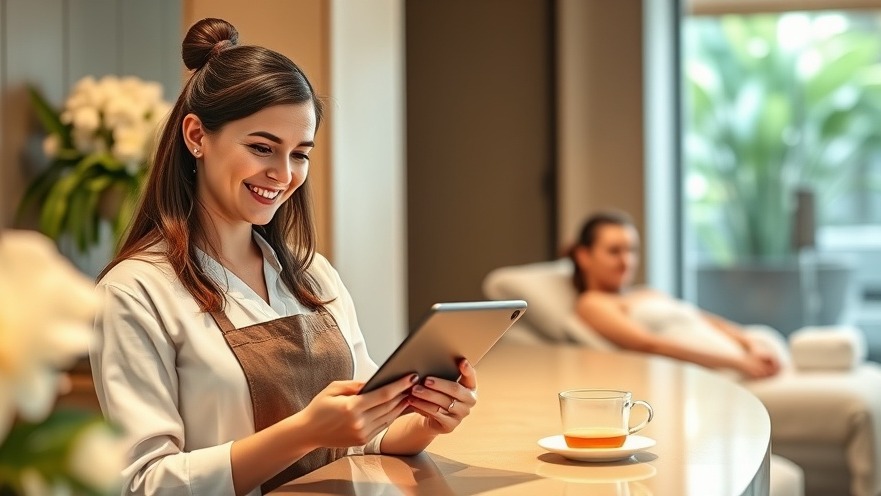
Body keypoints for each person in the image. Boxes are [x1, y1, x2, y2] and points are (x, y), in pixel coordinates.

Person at [90, 18, 478, 496]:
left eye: (300, 153)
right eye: (261, 148)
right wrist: (306, 431)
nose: (283, 173)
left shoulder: (312, 272)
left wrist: (425, 421)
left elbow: (362, 433)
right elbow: (144, 483)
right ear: (196, 136)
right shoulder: (136, 291)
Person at [569, 211, 782, 380]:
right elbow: (649, 345)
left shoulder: (645, 292)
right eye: (614, 251)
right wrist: (738, 362)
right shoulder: (593, 303)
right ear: (584, 256)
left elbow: (703, 318)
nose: (627, 262)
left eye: (632, 250)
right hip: (725, 371)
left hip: (748, 355)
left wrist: (750, 344)